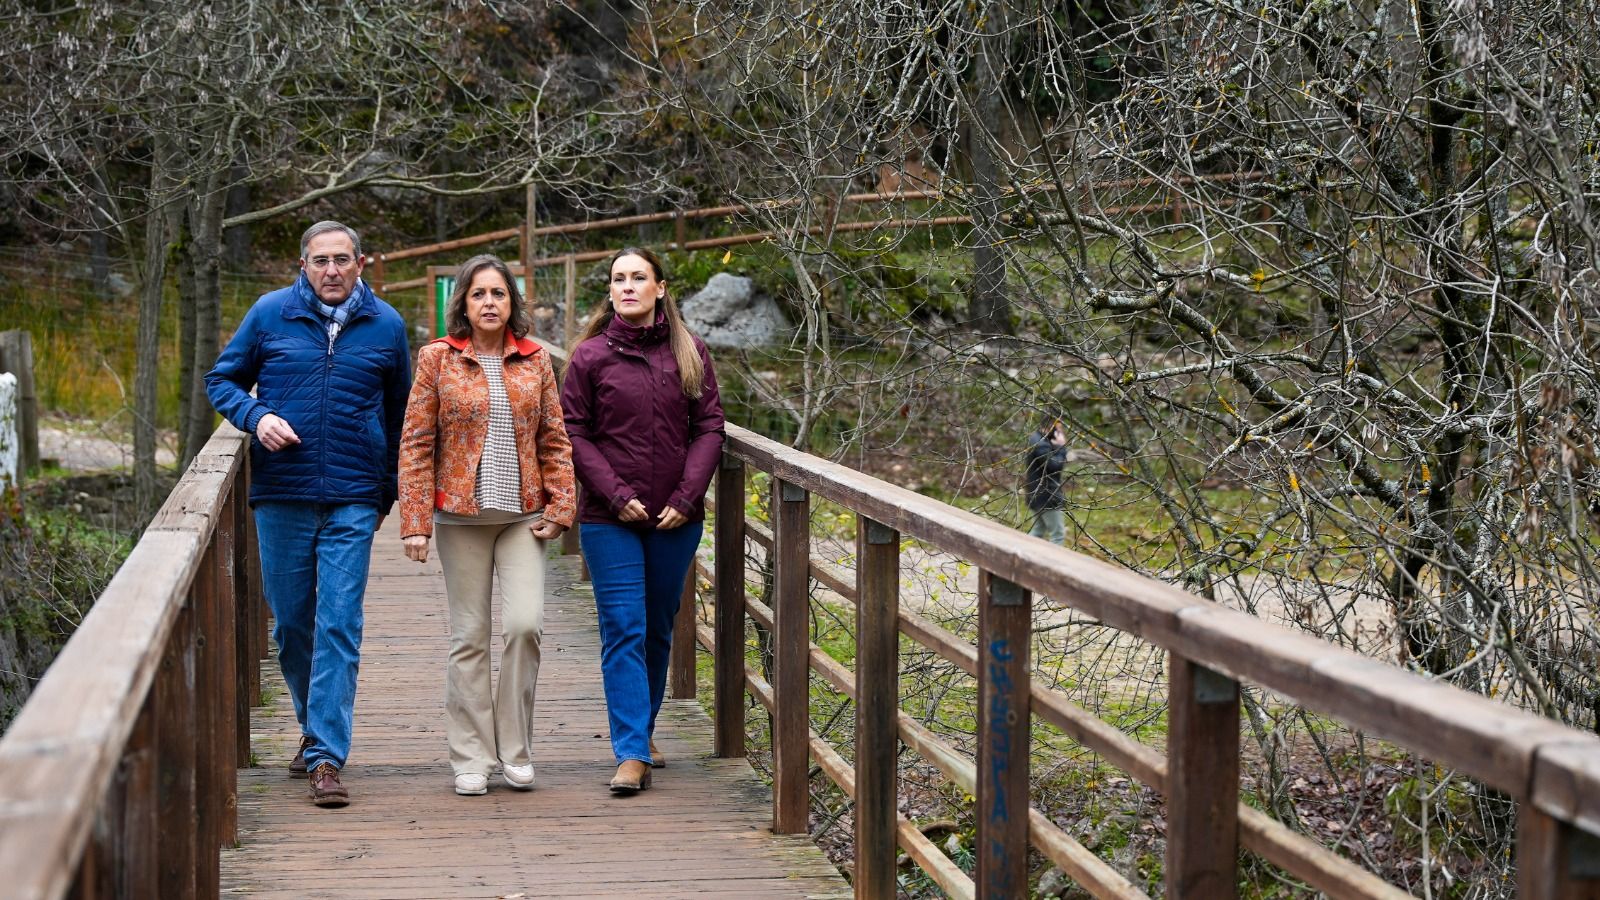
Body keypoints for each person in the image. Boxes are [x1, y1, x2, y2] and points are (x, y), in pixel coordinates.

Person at [206, 220, 411, 808]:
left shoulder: (387, 325)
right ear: (303, 266)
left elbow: (401, 418)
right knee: (293, 628)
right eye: (320, 260)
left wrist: (387, 492)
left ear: (361, 263)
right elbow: (220, 378)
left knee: (338, 623)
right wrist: (255, 416)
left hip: (352, 494)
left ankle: (325, 756)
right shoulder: (270, 314)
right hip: (282, 494)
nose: (331, 270)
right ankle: (310, 724)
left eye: (342, 260)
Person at [397, 254, 575, 796]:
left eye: (499, 294)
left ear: (512, 302)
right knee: (469, 637)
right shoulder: (437, 360)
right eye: (479, 295)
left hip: (524, 516)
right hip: (460, 518)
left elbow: (554, 438)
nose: (490, 303)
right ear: (464, 304)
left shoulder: (536, 360)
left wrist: (562, 506)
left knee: (524, 626)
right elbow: (416, 442)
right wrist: (415, 522)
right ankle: (471, 757)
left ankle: (516, 750)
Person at [560, 247, 725, 795]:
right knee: (623, 628)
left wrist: (686, 494)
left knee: (657, 627)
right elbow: (573, 432)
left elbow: (709, 428)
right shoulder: (589, 358)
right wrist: (614, 493)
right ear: (609, 292)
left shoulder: (690, 353)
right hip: (611, 518)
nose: (627, 287)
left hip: (676, 518)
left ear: (660, 288)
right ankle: (630, 751)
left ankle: (644, 727)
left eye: (638, 278)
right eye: (618, 279)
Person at [1025, 416, 1069, 545]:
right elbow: (1053, 466)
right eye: (1059, 429)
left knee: (1038, 531)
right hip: (1047, 496)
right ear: (1051, 428)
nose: (1061, 432)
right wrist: (1061, 447)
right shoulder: (1041, 445)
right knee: (1058, 535)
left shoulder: (1037, 440)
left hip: (1037, 494)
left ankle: (1022, 556)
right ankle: (1053, 564)